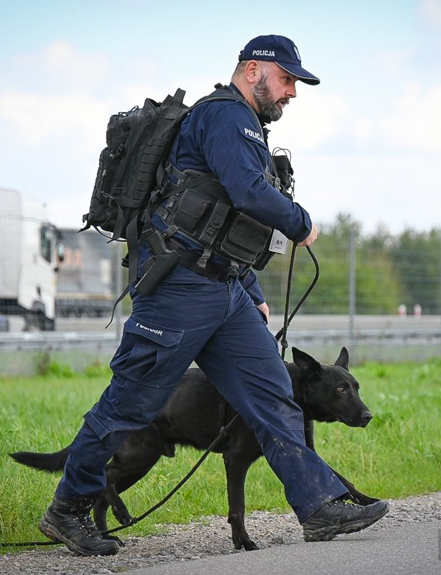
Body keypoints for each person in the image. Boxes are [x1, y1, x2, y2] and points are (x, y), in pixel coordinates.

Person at [39, 34, 389, 557]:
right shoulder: (226, 116)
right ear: (253, 70)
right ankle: (67, 509)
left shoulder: (244, 127)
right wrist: (300, 222)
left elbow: (221, 218)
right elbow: (249, 192)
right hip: (178, 291)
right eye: (287, 79)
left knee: (273, 394)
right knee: (131, 403)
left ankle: (318, 506)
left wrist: (249, 286)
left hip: (224, 290)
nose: (292, 92)